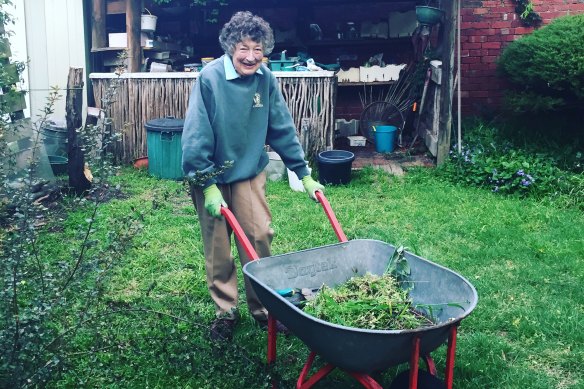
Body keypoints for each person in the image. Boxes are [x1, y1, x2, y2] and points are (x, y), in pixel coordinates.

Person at [181, 11, 324, 341]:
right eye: (243, 48)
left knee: (259, 235)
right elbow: (196, 135)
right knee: (218, 245)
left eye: (257, 49)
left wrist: (302, 173)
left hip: (247, 171)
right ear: (231, 47)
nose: (250, 56)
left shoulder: (265, 78)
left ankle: (264, 308)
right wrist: (207, 183)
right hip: (212, 173)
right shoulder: (210, 78)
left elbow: (281, 126)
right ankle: (226, 311)